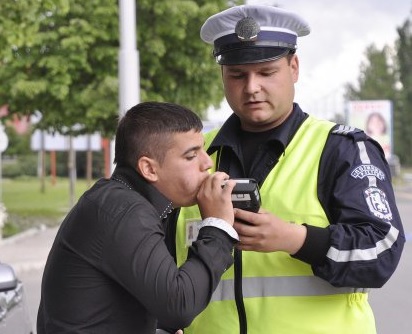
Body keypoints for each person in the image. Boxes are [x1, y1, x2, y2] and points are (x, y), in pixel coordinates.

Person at [172, 5, 405, 334]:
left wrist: (296, 239)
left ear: (293, 67)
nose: (251, 87)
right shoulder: (196, 154)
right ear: (222, 75)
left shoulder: (342, 149)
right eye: (238, 74)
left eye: (266, 72)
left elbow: (382, 252)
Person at [37, 101, 240, 333]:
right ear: (149, 169)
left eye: (203, 149)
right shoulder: (125, 211)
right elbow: (179, 305)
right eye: (191, 156)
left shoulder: (119, 200)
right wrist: (219, 226)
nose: (207, 163)